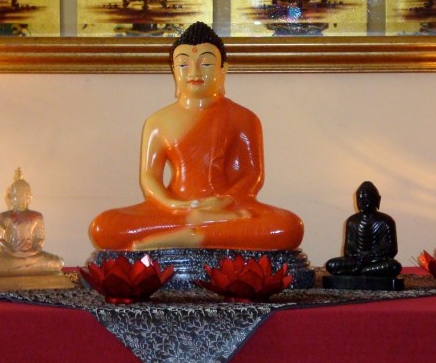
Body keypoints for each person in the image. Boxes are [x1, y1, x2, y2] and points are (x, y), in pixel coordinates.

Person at [89, 22, 304, 250]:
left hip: (227, 207)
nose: (194, 72)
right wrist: (175, 205)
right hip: (175, 208)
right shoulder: (158, 121)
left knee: (287, 226)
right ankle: (204, 228)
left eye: (207, 63)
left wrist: (225, 201)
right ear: (174, 70)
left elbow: (252, 175)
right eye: (183, 64)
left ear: (223, 70)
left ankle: (192, 236)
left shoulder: (243, 117)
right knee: (105, 226)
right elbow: (150, 177)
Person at [0, 168, 65, 277]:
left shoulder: (37, 216)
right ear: (10, 198)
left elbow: (40, 240)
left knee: (58, 262)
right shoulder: (4, 217)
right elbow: (1, 239)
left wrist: (32, 251)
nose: (21, 199)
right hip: (11, 256)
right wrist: (12, 251)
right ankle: (24, 267)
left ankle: (26, 267)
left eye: (24, 196)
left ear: (30, 197)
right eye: (17, 196)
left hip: (33, 256)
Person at [325, 181, 402, 278]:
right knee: (331, 264)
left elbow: (391, 249)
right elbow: (348, 250)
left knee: (394, 266)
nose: (361, 203)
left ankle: (359, 271)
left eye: (366, 199)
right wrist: (358, 255)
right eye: (359, 200)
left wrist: (371, 255)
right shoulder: (352, 221)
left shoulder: (386, 221)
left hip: (375, 260)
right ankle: (365, 271)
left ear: (376, 200)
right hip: (356, 260)